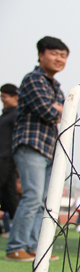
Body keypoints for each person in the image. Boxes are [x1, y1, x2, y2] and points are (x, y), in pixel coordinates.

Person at [6, 36, 68, 262]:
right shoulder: (33, 79)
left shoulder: (56, 87)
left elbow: (64, 112)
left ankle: (34, 247)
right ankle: (16, 247)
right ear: (41, 55)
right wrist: (58, 109)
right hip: (31, 143)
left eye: (63, 56)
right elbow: (48, 111)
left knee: (43, 200)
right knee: (32, 196)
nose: (59, 59)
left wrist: (59, 109)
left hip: (49, 147)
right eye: (54, 53)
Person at [0, 84, 19, 235]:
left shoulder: (16, 115)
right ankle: (19, 231)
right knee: (10, 196)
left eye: (5, 96)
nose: (2, 99)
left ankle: (21, 231)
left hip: (7, 160)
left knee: (11, 196)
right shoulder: (4, 116)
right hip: (4, 160)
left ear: (15, 97)